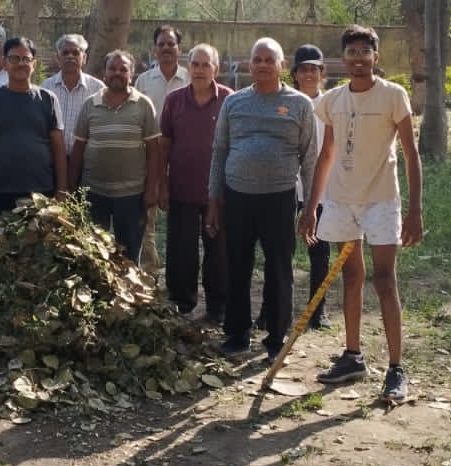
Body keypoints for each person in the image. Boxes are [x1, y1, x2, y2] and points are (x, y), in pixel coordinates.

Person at [302, 25, 423, 404]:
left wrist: (415, 210)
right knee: (350, 276)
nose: (357, 58)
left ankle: (396, 369)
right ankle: (353, 356)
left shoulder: (393, 96)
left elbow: (410, 153)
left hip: (381, 200)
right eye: (350, 52)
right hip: (341, 201)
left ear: (376, 56)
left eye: (363, 52)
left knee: (385, 280)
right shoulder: (333, 100)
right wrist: (311, 207)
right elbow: (326, 155)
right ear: (342, 59)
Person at [206, 37, 317, 361]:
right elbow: (220, 152)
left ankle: (276, 337)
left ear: (282, 66)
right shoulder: (234, 103)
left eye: (270, 59)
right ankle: (237, 334)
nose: (264, 65)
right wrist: (213, 200)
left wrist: (310, 207)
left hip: (280, 199)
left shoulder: (299, 104)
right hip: (237, 197)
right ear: (249, 65)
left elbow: (309, 157)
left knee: (279, 268)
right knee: (237, 266)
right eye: (258, 59)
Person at [160, 43, 232, 324]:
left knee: (219, 252)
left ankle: (218, 307)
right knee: (181, 250)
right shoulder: (174, 100)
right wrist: (162, 185)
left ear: (216, 68)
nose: (200, 70)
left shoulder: (229, 99)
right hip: (181, 188)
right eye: (195, 64)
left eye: (206, 65)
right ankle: (181, 303)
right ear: (187, 68)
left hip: (218, 193)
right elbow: (164, 145)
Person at [68, 50, 158, 260]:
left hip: (132, 195)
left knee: (128, 254)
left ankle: (130, 292)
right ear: (104, 73)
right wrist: (72, 188)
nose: (117, 73)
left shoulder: (144, 104)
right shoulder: (90, 104)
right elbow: (78, 148)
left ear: (132, 74)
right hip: (94, 193)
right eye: (112, 68)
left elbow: (154, 150)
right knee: (92, 253)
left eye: (123, 69)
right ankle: (99, 293)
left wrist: (152, 189)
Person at [0, 36, 67, 222]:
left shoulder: (48, 99)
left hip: (40, 192)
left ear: (34, 64)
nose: (20, 64)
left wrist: (61, 190)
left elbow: (58, 148)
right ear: (5, 63)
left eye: (26, 59)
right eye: (14, 58)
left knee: (37, 250)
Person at [134, 25, 190, 272]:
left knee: (181, 221)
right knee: (147, 219)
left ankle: (179, 273)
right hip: (149, 158)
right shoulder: (143, 81)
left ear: (180, 49)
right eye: (161, 44)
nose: (166, 48)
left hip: (183, 159)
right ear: (154, 50)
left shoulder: (192, 78)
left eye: (171, 43)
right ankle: (149, 270)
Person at [291, 44, 331, 330]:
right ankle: (273, 308)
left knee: (319, 251)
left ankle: (318, 311)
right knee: (281, 251)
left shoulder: (331, 105)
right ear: (295, 74)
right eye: (303, 69)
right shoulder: (286, 102)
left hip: (322, 189)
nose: (309, 74)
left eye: (313, 69)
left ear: (322, 73)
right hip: (288, 188)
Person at [41, 34, 104, 136]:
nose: (70, 56)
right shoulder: (46, 87)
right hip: (52, 151)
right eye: (65, 53)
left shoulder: (97, 88)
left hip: (86, 151)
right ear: (58, 58)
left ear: (84, 58)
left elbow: (101, 122)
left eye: (75, 53)